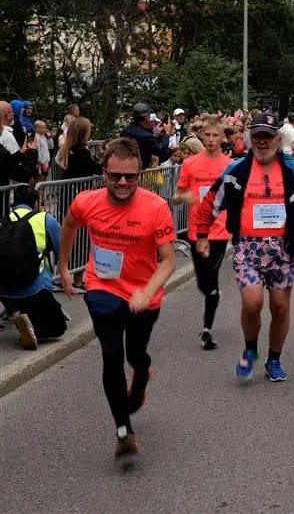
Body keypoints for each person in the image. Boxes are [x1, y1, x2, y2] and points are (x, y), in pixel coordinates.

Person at [58, 137, 177, 459]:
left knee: (136, 355)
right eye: (115, 176)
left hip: (144, 294)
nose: (123, 183)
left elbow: (168, 260)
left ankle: (141, 375)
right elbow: (69, 225)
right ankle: (123, 431)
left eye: (130, 177)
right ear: (103, 173)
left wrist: (147, 291)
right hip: (103, 288)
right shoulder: (86, 201)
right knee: (111, 355)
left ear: (140, 173)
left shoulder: (156, 207)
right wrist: (65, 267)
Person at [195, 112, 294, 381]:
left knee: (279, 306)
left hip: (283, 247)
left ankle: (274, 359)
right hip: (248, 248)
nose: (263, 142)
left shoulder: (293, 169)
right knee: (253, 302)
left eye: (268, 136)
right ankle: (250, 349)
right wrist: (201, 235)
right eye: (257, 136)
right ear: (250, 139)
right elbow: (210, 201)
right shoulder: (237, 170)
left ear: (278, 139)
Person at [173, 116, 232, 350]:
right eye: (207, 135)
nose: (211, 139)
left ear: (222, 137)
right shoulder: (190, 164)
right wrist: (185, 197)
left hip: (218, 230)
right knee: (203, 281)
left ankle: (207, 330)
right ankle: (213, 292)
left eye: (215, 135)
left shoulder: (229, 165)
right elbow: (176, 196)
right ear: (201, 136)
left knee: (211, 271)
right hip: (195, 229)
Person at [0, 185, 66, 350]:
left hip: (4, 290)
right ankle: (33, 324)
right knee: (57, 328)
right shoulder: (45, 219)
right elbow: (61, 251)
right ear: (36, 203)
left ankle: (15, 312)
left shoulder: (4, 220)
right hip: (35, 289)